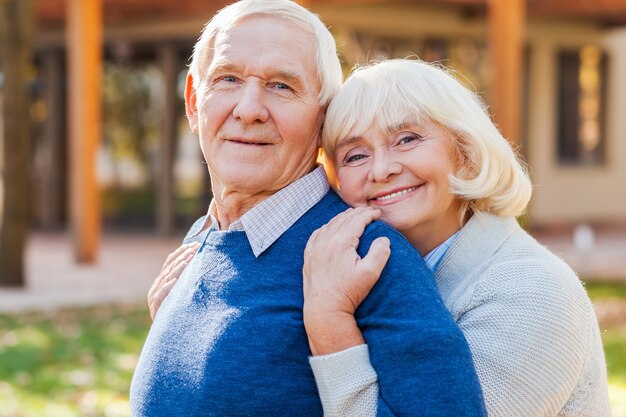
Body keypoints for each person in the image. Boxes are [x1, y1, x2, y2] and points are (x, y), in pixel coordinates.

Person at [130, 1, 487, 416]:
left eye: (282, 86)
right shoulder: (204, 239)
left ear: (322, 119)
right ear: (194, 103)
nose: (248, 109)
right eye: (228, 78)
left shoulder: (369, 256)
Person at [301, 59, 611, 416]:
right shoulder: (358, 271)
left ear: (464, 152)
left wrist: (329, 325)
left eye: (407, 139)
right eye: (355, 156)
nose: (381, 169)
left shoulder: (534, 290)